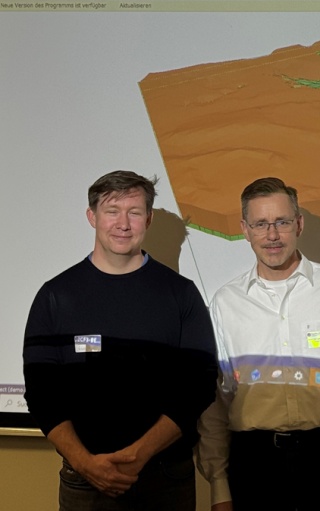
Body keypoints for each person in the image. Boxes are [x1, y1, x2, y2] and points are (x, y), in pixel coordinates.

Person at [23, 170, 218, 510]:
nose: (123, 224)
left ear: (149, 219)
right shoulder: (55, 296)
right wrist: (86, 464)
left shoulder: (181, 295)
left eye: (134, 212)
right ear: (92, 217)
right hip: (84, 480)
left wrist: (138, 455)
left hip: (166, 478)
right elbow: (42, 394)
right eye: (112, 211)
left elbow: (197, 388)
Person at [196, 177, 320, 511]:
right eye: (261, 224)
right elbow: (216, 401)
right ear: (245, 230)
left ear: (298, 224)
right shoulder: (226, 303)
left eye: (282, 222)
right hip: (254, 466)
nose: (272, 235)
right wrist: (219, 486)